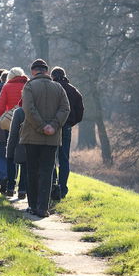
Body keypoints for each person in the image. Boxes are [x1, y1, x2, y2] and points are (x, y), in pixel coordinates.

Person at [21, 59, 70, 217]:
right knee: (47, 172)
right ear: (47, 71)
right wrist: (53, 126)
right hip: (52, 137)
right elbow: (65, 108)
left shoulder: (29, 86)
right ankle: (43, 207)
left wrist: (41, 126)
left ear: (33, 71)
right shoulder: (58, 87)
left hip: (32, 136)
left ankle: (33, 206)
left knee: (32, 171)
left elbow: (28, 109)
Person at [51, 67, 84, 199]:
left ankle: (53, 185)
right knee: (64, 159)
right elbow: (80, 112)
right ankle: (63, 188)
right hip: (66, 127)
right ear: (64, 75)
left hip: (52, 126)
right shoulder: (73, 90)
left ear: (53, 76)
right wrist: (71, 122)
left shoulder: (51, 89)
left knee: (51, 157)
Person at [0, 67, 29, 196]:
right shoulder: (28, 85)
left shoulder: (6, 86)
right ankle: (23, 189)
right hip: (27, 123)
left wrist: (7, 114)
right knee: (25, 154)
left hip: (10, 124)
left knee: (10, 154)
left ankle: (10, 187)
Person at [7, 103, 28, 201]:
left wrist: (9, 150)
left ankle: (11, 188)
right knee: (26, 168)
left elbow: (13, 133)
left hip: (20, 145)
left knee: (17, 164)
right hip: (33, 146)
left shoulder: (19, 112)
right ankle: (22, 190)